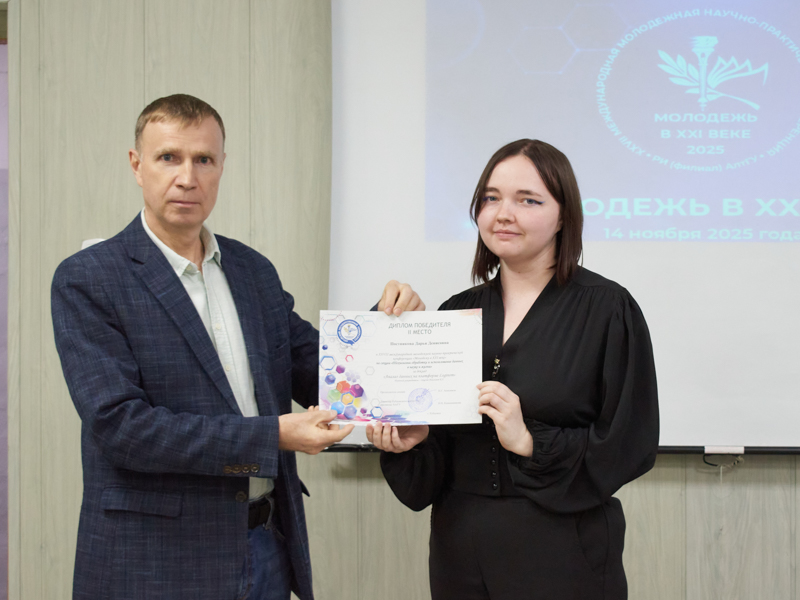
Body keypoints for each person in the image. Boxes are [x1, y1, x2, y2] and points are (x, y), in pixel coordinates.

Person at [51, 94, 423, 600]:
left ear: (222, 165)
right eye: (169, 157)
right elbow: (122, 429)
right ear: (137, 165)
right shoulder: (89, 279)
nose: (188, 177)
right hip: (156, 559)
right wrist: (273, 436)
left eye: (203, 159)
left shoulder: (252, 271)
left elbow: (316, 369)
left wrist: (387, 329)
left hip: (265, 544)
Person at [367, 139, 659, 600]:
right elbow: (433, 464)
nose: (503, 214)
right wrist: (414, 442)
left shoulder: (608, 309)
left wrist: (529, 441)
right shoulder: (455, 313)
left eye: (528, 200)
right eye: (491, 198)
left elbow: (629, 443)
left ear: (563, 216)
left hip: (563, 548)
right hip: (459, 547)